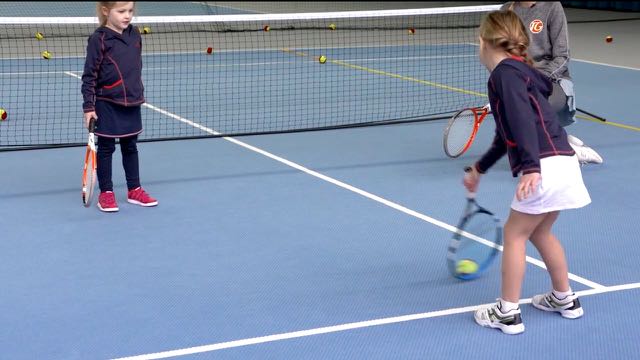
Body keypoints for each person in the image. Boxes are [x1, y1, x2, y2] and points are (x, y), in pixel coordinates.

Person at [466, 10, 590, 335]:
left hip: (544, 166)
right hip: (565, 162)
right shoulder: (520, 74)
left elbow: (521, 119)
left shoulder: (503, 76)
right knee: (540, 231)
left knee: (515, 234)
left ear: (485, 43)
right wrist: (480, 168)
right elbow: (505, 134)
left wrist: (531, 168)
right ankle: (565, 298)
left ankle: (507, 312)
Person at [502, 1, 603, 165]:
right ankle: (564, 141)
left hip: (554, 82)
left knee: (536, 109)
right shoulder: (506, 10)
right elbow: (502, 57)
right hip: (520, 83)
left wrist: (535, 79)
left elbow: (562, 57)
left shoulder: (552, 6)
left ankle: (572, 150)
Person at [81, 1, 158, 212]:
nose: (127, 16)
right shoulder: (99, 39)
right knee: (106, 148)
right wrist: (89, 107)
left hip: (132, 102)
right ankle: (106, 193)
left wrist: (136, 90)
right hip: (107, 103)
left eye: (130, 11)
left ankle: (134, 189)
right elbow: (89, 76)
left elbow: (135, 67)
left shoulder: (134, 35)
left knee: (130, 147)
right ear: (106, 11)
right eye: (121, 11)